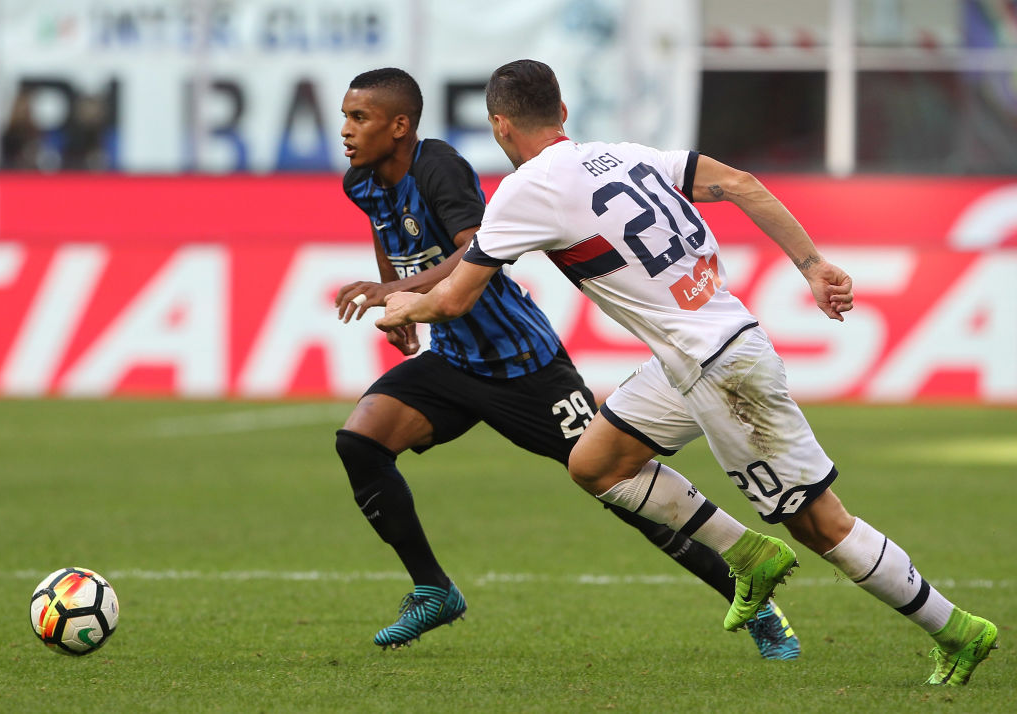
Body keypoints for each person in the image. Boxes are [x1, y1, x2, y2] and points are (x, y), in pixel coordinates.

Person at [376, 59, 998, 686]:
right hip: (692, 356)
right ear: (562, 113)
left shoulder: (525, 190)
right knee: (594, 463)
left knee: (820, 524)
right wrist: (812, 266)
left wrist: (402, 303)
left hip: (721, 371)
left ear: (499, 126)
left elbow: (455, 300)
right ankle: (747, 553)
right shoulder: (627, 156)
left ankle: (956, 629)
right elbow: (741, 184)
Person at [334, 67, 800, 658]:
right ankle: (433, 589)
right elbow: (388, 237)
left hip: (524, 364)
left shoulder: (439, 166)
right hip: (453, 360)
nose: (346, 130)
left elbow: (472, 253)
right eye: (346, 117)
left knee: (621, 486)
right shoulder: (361, 182)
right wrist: (395, 301)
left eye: (359, 118)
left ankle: (750, 595)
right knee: (360, 443)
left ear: (399, 126)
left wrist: (397, 293)